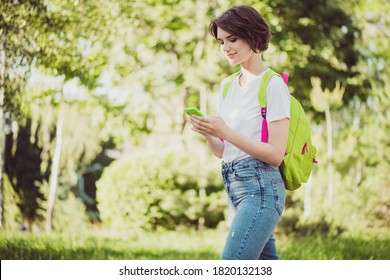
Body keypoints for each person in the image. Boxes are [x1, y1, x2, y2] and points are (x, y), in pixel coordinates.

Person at [188, 5, 290, 260]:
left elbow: (276, 155)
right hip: (234, 187)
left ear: (252, 36)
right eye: (222, 41)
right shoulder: (226, 86)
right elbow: (224, 151)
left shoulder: (273, 85)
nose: (225, 47)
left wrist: (226, 131)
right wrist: (209, 133)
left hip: (262, 189)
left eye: (232, 38)